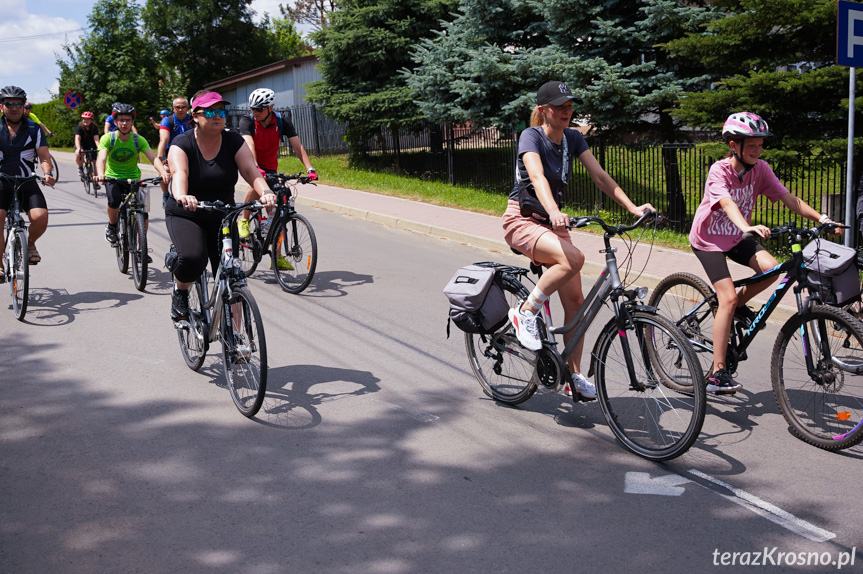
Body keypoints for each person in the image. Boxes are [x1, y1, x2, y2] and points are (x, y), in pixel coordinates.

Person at [502, 81, 654, 401]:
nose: (567, 111)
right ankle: (525, 313)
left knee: (577, 304)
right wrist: (554, 210)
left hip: (552, 225)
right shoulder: (531, 137)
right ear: (544, 111)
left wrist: (632, 207)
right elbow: (537, 176)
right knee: (574, 258)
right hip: (523, 219)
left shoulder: (573, 137)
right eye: (560, 106)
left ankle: (573, 376)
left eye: (570, 105)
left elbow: (600, 176)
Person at [689, 112, 835, 394]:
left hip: (735, 237)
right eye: (752, 146)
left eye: (760, 145)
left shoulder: (761, 169)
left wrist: (822, 219)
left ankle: (735, 308)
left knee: (772, 269)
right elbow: (727, 203)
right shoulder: (719, 171)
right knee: (727, 297)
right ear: (734, 145)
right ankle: (717, 373)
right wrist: (747, 226)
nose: (758, 150)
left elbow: (788, 198)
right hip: (708, 240)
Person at [166, 90, 275, 320]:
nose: (218, 116)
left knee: (232, 276)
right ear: (195, 115)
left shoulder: (233, 140)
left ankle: (237, 344)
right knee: (193, 259)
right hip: (188, 213)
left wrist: (265, 191)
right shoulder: (181, 143)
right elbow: (179, 174)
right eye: (211, 111)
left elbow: (250, 170)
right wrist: (182, 195)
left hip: (222, 215)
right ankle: (180, 291)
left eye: (221, 111)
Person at [236, 88, 316, 261]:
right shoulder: (247, 121)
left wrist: (310, 169)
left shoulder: (281, 121)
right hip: (249, 164)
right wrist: (256, 168)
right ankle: (243, 220)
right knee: (256, 183)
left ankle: (277, 257)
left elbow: (297, 146)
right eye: (252, 108)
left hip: (271, 167)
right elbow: (249, 145)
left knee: (278, 208)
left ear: (270, 107)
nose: (254, 112)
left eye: (259, 109)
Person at [94, 103, 169, 257]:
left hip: (134, 178)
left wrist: (163, 172)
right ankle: (112, 225)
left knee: (144, 211)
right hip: (113, 177)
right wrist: (101, 174)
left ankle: (142, 249)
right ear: (115, 122)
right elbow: (101, 158)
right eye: (121, 120)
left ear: (132, 122)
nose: (124, 123)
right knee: (113, 201)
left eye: (128, 120)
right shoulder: (108, 138)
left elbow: (153, 158)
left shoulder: (138, 139)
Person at [0, 86, 56, 277]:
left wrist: (47, 173)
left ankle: (30, 243)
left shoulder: (34, 129)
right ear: (2, 107)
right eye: (9, 104)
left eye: (18, 104)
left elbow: (44, 158)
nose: (14, 107)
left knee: (40, 218)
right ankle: (0, 264)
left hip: (26, 180)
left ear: (24, 106)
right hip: (1, 181)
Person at [156, 97, 192, 207]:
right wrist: (161, 157)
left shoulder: (192, 119)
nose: (180, 109)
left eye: (183, 107)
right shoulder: (168, 121)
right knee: (165, 171)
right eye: (177, 107)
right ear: (173, 109)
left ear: (188, 108)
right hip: (172, 152)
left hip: (190, 151)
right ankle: (166, 194)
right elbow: (164, 139)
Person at [74, 111, 101, 181]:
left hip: (91, 145)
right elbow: (77, 138)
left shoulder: (94, 127)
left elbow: (96, 139)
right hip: (81, 145)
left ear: (91, 120)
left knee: (94, 162)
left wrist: (100, 148)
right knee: (79, 153)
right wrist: (79, 148)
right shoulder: (79, 127)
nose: (86, 121)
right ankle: (80, 168)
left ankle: (95, 181)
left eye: (88, 119)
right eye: (84, 119)